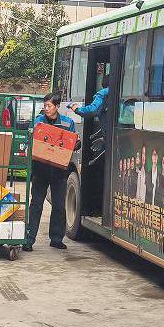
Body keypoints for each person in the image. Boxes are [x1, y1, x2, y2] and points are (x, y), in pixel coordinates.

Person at [25, 88, 108, 251]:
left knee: (59, 205)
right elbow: (32, 139)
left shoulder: (67, 123)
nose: (46, 108)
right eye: (45, 105)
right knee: (36, 205)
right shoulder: (38, 122)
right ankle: (29, 239)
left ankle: (56, 239)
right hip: (40, 169)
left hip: (59, 171)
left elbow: (74, 142)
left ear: (57, 106)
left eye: (49, 106)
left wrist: (76, 143)